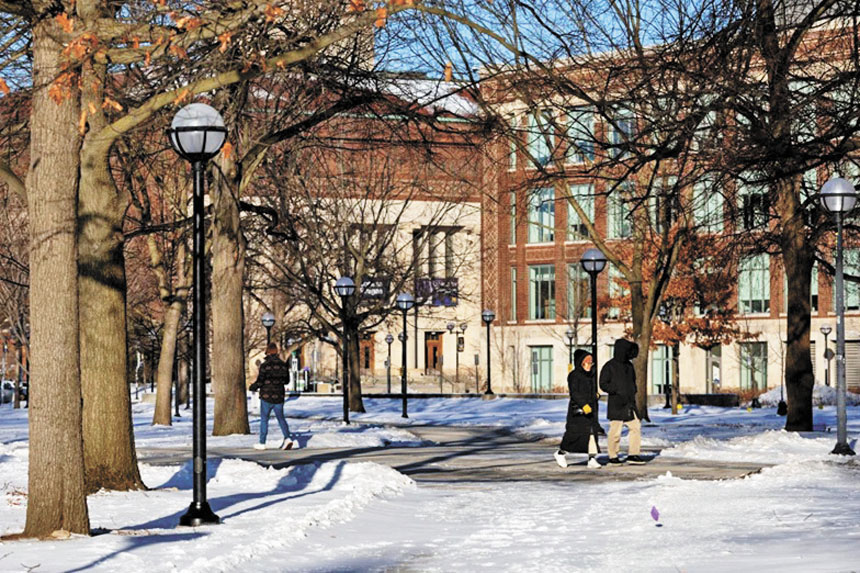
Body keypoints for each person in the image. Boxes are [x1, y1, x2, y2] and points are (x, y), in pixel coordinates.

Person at [598, 338, 646, 465]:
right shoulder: (609, 366)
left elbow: (633, 381)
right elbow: (603, 383)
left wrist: (633, 390)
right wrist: (616, 390)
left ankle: (633, 454)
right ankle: (613, 456)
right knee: (615, 431)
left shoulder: (629, 366)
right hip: (616, 403)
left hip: (630, 403)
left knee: (635, 427)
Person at [555, 349, 602, 469]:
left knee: (592, 435)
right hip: (578, 412)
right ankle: (561, 453)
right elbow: (575, 393)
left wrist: (595, 395)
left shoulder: (591, 375)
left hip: (590, 411)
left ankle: (591, 459)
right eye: (587, 362)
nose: (589, 365)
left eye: (591, 362)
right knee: (573, 435)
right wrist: (583, 404)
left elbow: (590, 390)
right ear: (580, 362)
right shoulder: (574, 375)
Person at [250, 342, 294, 450]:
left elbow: (260, 381)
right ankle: (287, 437)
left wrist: (253, 387)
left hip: (266, 396)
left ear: (268, 352)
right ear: (277, 352)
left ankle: (262, 442)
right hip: (279, 396)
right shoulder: (283, 365)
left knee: (264, 419)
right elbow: (286, 381)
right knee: (281, 418)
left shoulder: (265, 366)